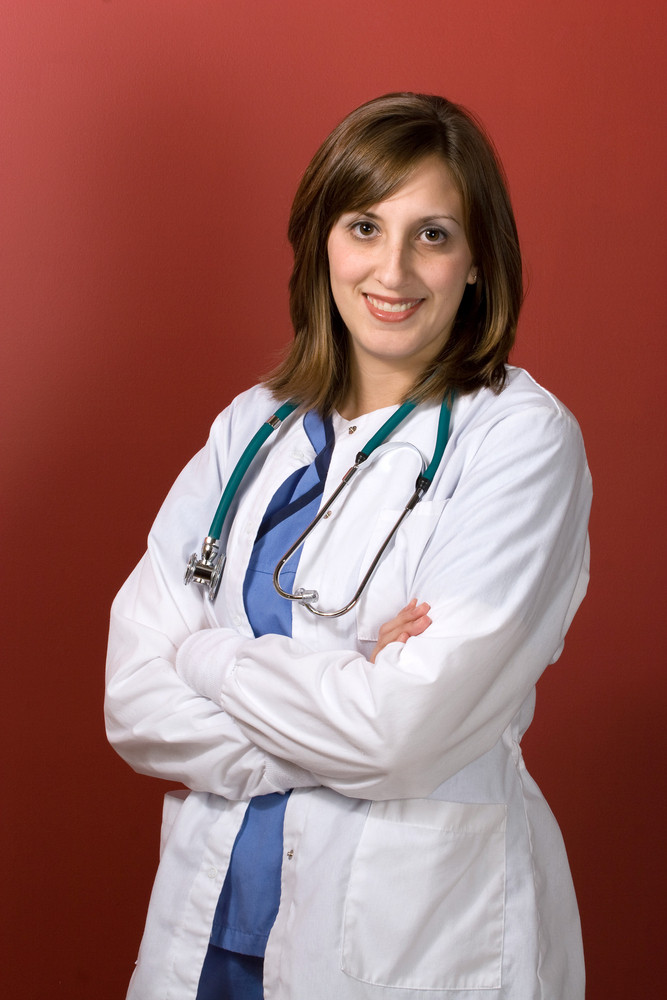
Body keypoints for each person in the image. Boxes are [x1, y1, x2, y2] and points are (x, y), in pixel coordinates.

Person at [105, 92, 592, 1000]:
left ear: (478, 257)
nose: (393, 268)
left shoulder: (519, 441)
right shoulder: (251, 429)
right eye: (365, 225)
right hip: (211, 933)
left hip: (405, 943)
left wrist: (208, 658)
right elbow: (132, 701)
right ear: (323, 240)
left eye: (433, 234)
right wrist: (349, 687)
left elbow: (399, 733)